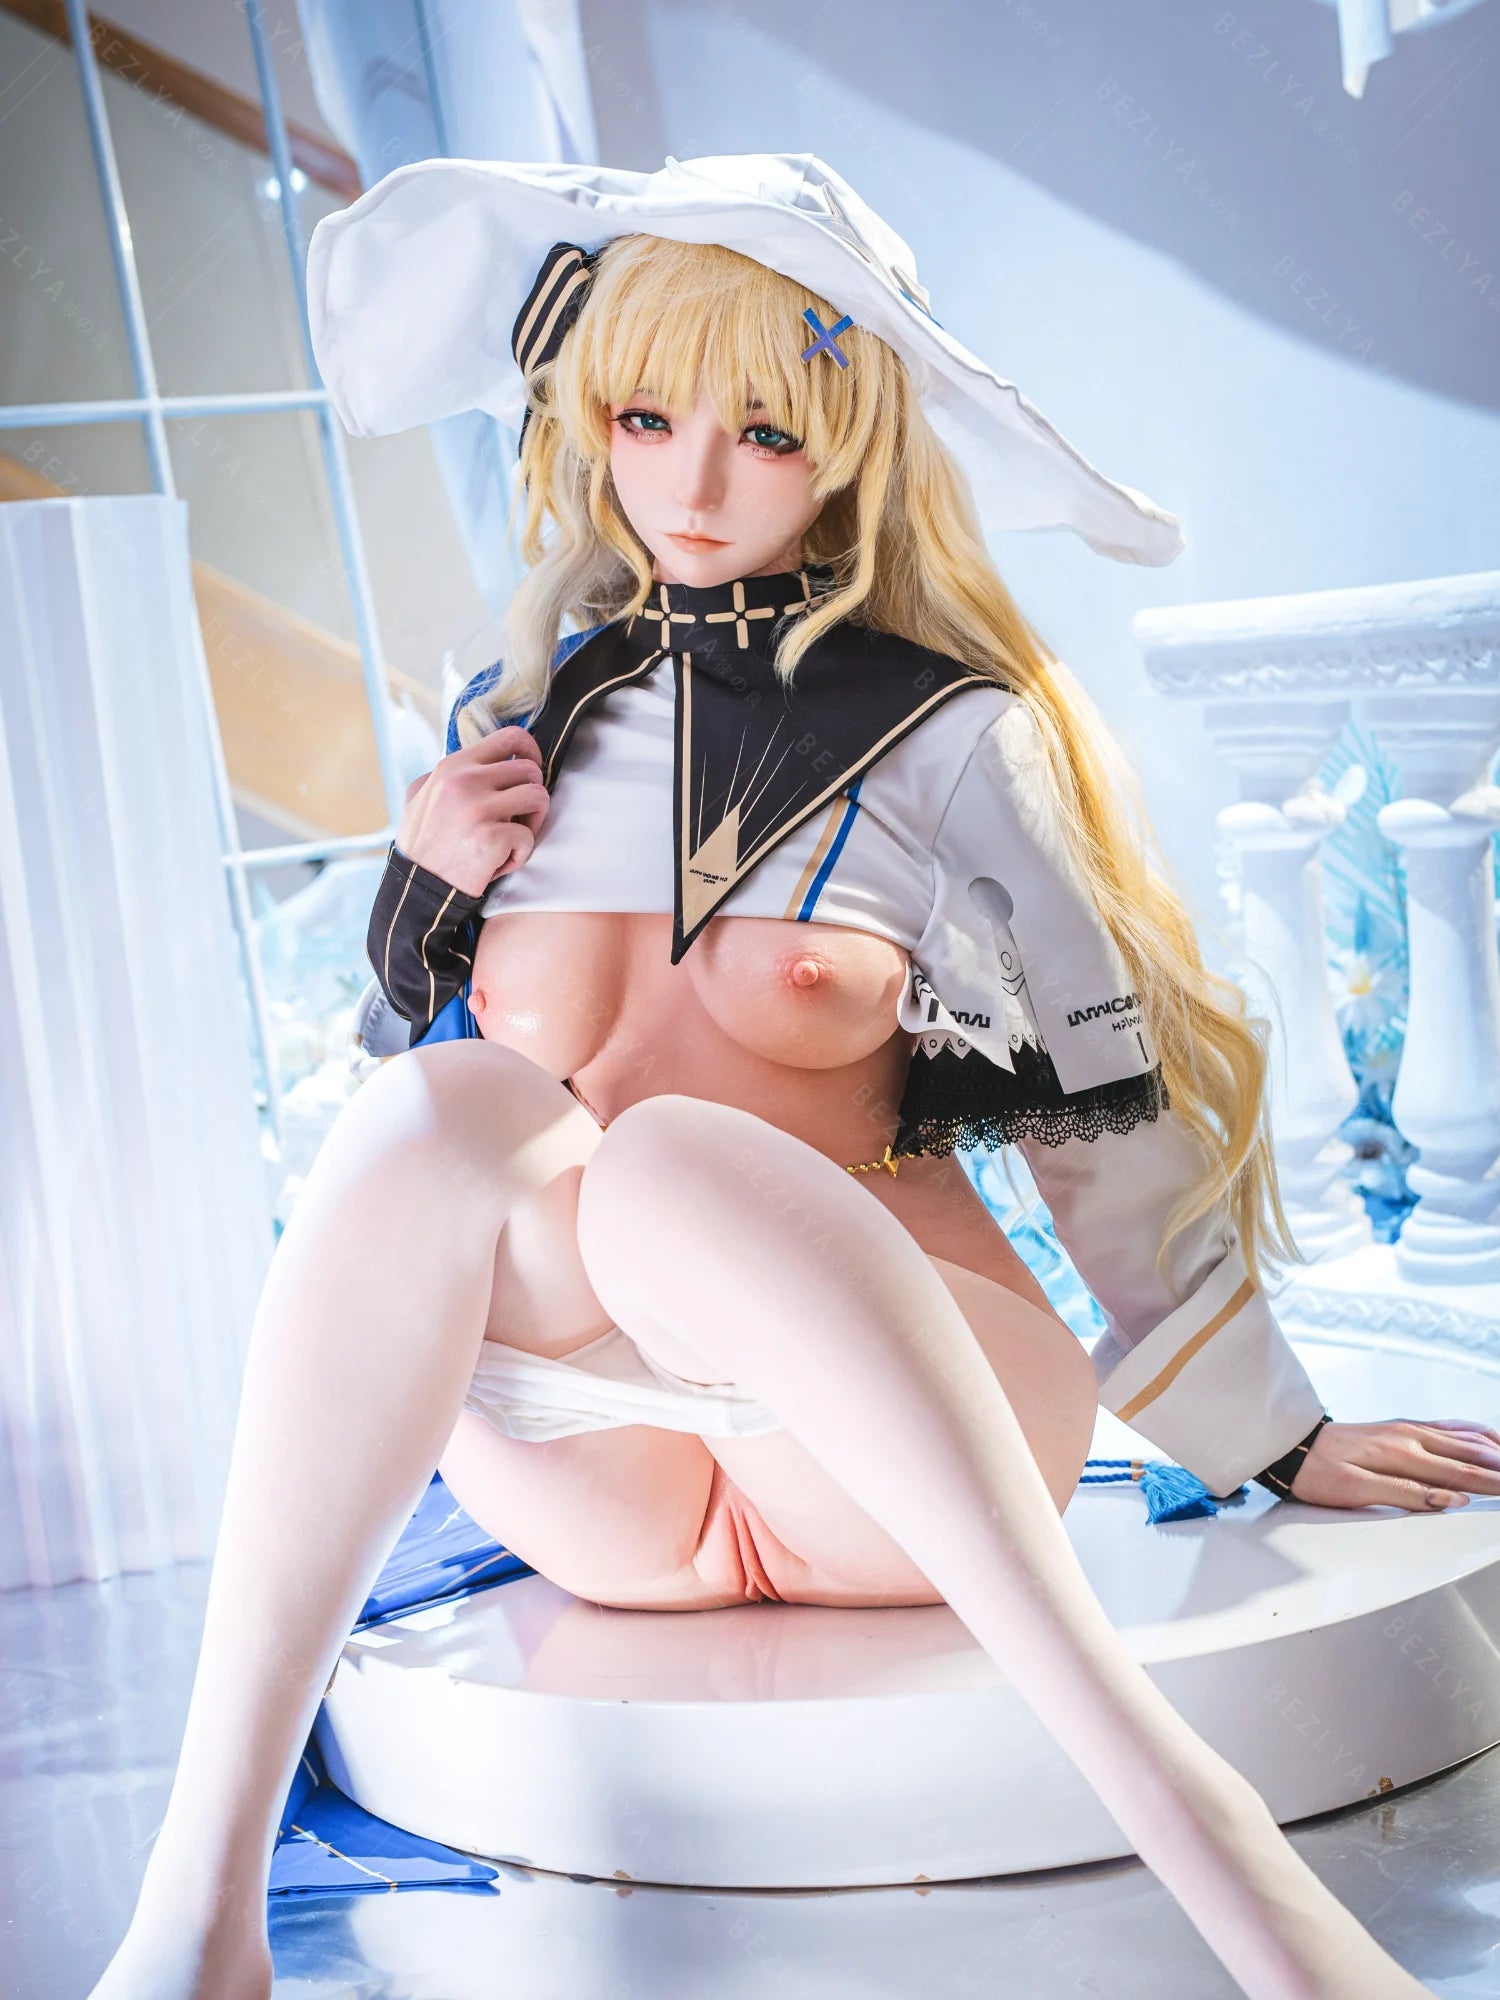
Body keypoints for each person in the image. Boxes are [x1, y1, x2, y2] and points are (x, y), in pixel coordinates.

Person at [90, 154, 1492, 2000]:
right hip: (612, 1473)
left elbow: (1101, 1116)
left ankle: (1219, 1853)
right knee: (440, 1114)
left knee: (665, 1158)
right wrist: (423, 890)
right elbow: (421, 1183)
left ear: (850, 447)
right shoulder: (513, 720)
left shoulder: (948, 735)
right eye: (646, 419)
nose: (688, 485)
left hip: (899, 1434)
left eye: (761, 433)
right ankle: (196, 1916)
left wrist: (1273, 1432)